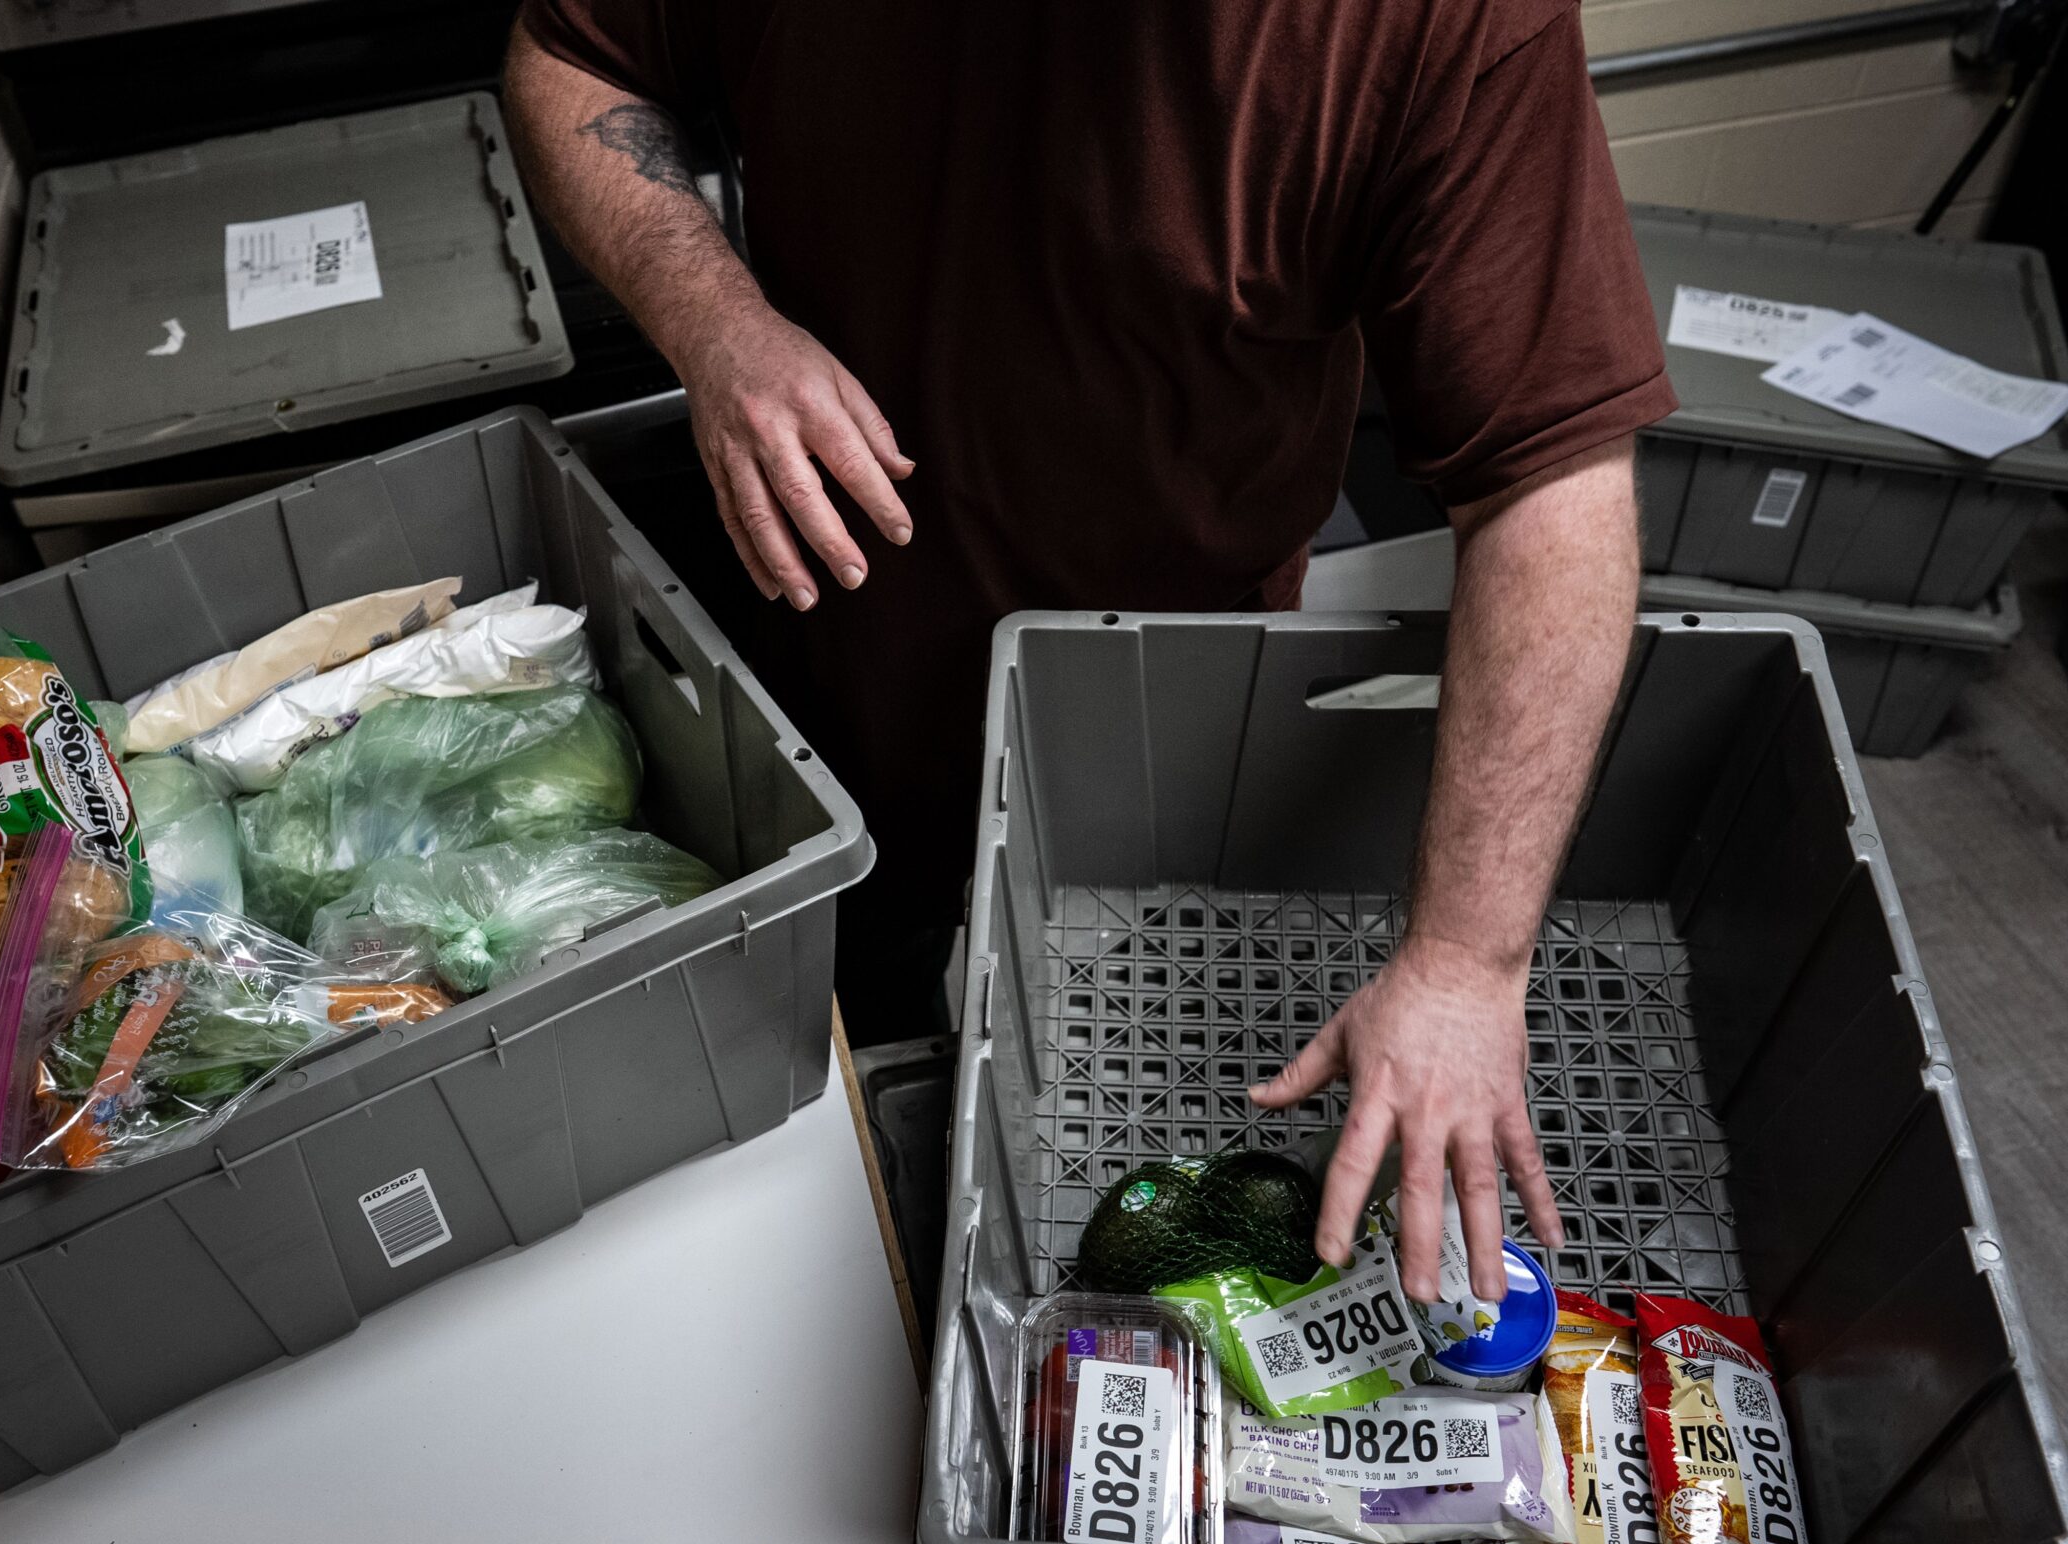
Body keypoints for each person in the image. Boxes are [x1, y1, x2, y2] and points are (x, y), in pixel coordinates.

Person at [503, 1, 1675, 1304]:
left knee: (1128, 1092)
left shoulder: (1436, 27)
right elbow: (571, 58)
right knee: (823, 1162)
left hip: (1161, 726)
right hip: (823, 660)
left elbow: (1552, 489)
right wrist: (714, 322)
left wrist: (1465, 957)